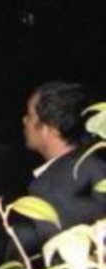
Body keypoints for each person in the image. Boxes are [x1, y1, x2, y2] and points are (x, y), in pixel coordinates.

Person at [13, 80, 106, 259]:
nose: (24, 120)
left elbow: (56, 260)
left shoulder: (50, 188)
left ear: (51, 128)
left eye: (30, 115)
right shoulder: (97, 165)